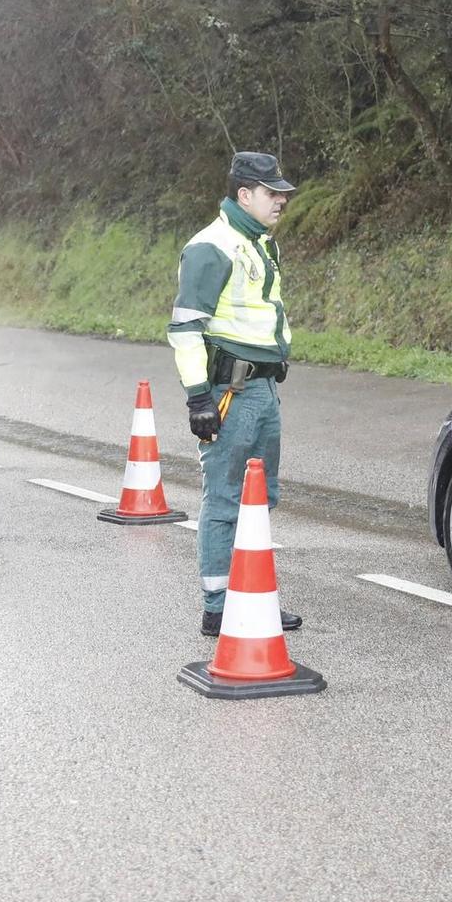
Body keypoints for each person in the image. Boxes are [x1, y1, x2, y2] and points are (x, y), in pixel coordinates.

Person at [168, 151, 302, 637]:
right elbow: (185, 329)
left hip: (262, 389)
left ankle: (253, 597)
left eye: (282, 193)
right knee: (226, 500)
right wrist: (198, 397)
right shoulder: (212, 246)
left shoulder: (258, 243)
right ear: (244, 194)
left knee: (261, 499)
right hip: (230, 391)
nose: (281, 200)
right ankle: (218, 605)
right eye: (272, 193)